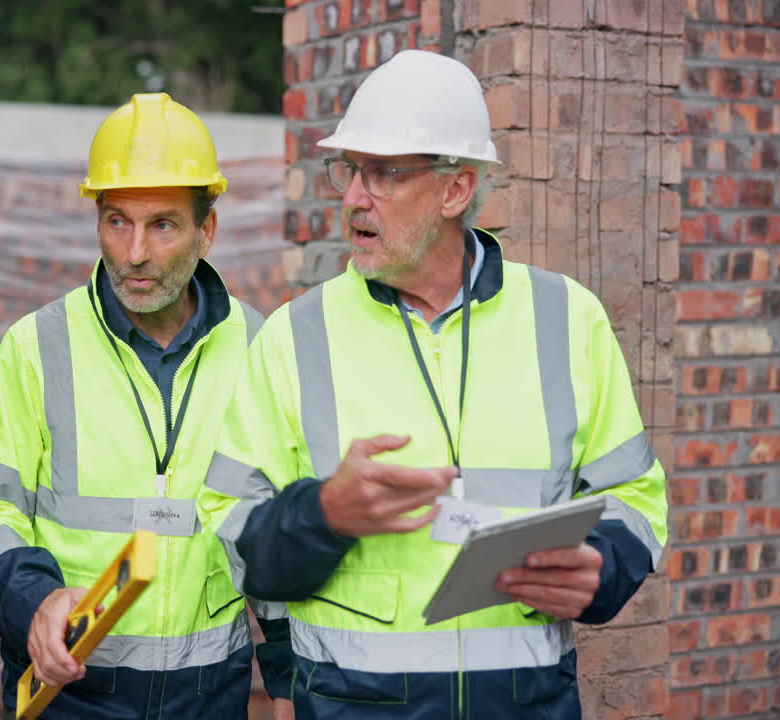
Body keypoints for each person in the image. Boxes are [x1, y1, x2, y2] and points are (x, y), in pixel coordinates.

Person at [197, 50, 667, 719]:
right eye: (350, 169)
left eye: (384, 173)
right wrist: (324, 515)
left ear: (455, 190)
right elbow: (234, 538)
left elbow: (636, 499)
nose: (354, 196)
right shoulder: (294, 336)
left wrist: (601, 566)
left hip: (526, 705)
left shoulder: (569, 319)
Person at [0, 93, 293, 719]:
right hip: (70, 693)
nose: (134, 253)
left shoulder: (261, 349)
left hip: (207, 693)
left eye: (162, 224)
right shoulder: (36, 347)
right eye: (116, 221)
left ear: (205, 229)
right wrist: (37, 605)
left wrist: (289, 684)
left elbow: (276, 533)